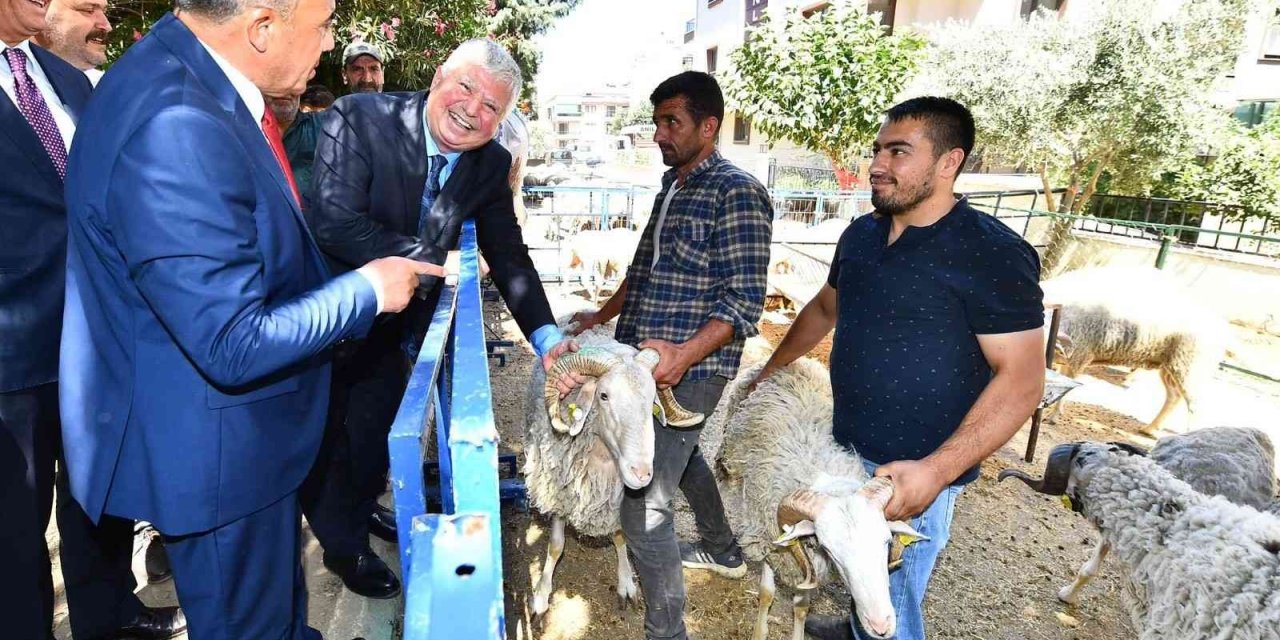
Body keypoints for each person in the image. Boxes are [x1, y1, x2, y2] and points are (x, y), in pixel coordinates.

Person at [59, 0, 441, 637]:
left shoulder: (187, 79)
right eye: (322, 26)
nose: (330, 44)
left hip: (234, 439)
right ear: (262, 27)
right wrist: (369, 290)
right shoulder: (176, 121)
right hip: (213, 452)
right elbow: (231, 341)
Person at [751, 97, 1045, 640]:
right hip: (842, 451)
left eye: (899, 152)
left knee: (896, 610)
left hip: (915, 474)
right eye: (878, 150)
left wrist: (936, 472)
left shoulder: (992, 254)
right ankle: (856, 623)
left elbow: (1024, 382)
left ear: (949, 162)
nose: (878, 165)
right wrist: (768, 370)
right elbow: (823, 309)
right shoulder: (861, 235)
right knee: (863, 568)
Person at [305, 37, 578, 600]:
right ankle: (343, 547)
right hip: (325, 316)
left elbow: (508, 254)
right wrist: (434, 261)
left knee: (376, 433)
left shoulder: (490, 163)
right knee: (326, 437)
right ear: (438, 77)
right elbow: (333, 221)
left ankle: (358, 513)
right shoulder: (358, 118)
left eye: (491, 108)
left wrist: (548, 337)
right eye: (467, 88)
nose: (473, 111)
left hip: (394, 328)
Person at [0, 0, 186, 637]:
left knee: (98, 496)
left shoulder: (67, 80)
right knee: (14, 525)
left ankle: (112, 617)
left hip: (91, 337)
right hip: (8, 356)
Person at [571, 71, 773, 640]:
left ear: (709, 127)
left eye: (671, 123)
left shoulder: (736, 192)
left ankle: (667, 631)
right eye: (657, 122)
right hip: (644, 367)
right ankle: (723, 548)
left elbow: (743, 304)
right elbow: (640, 272)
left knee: (644, 505)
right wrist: (600, 317)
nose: (659, 134)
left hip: (693, 368)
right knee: (682, 459)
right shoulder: (673, 186)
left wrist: (684, 355)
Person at [32, 0, 111, 85]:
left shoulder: (103, 87)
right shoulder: (19, 74)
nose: (107, 27)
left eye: (104, 12)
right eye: (89, 10)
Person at [267, 92, 323, 194]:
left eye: (294, 81)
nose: (285, 89)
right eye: (278, 79)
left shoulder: (322, 126)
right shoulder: (241, 129)